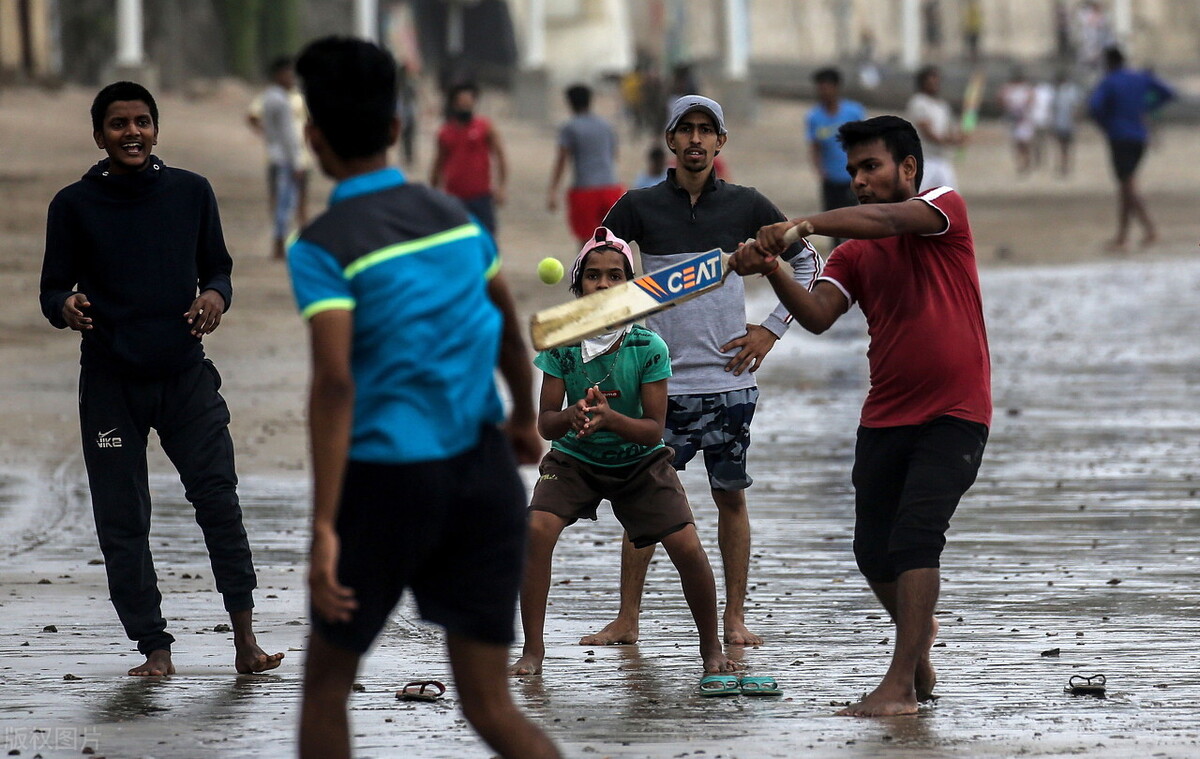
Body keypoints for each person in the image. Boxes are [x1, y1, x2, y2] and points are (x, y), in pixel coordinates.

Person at [287, 37, 559, 759]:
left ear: (313, 138)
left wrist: (323, 524)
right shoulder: (455, 217)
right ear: (397, 130)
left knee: (325, 689)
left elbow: (336, 379)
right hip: (481, 476)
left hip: (384, 484)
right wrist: (525, 421)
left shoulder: (321, 243)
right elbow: (506, 324)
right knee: (491, 704)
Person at [730, 115, 991, 717]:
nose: (860, 181)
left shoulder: (941, 209)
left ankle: (899, 684)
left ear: (909, 169)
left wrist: (800, 227)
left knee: (916, 538)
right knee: (873, 551)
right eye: (852, 172)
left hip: (956, 411)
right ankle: (916, 657)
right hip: (885, 416)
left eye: (871, 167)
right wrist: (773, 267)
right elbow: (819, 313)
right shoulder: (852, 254)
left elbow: (891, 219)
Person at [39, 81, 283, 677]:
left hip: (184, 378)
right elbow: (51, 288)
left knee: (219, 503)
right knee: (122, 518)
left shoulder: (191, 193)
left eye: (142, 121)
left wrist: (214, 297)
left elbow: (218, 267)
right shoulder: (72, 205)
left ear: (156, 129)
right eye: (118, 124)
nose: (132, 133)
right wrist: (65, 306)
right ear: (98, 135)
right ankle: (155, 649)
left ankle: (246, 640)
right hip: (109, 386)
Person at [588, 95, 822, 648]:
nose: (696, 140)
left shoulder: (747, 205)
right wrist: (620, 351)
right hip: (657, 390)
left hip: (729, 385)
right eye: (685, 130)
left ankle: (735, 619)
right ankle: (627, 618)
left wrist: (771, 330)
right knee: (643, 503)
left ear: (721, 142)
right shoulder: (637, 207)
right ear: (670, 141)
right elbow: (597, 278)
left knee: (730, 498)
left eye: (706, 130)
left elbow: (810, 262)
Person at [508, 228, 736, 680]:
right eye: (593, 276)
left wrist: (612, 420)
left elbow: (654, 430)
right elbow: (545, 423)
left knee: (686, 544)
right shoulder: (563, 344)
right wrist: (572, 415)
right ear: (578, 289)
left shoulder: (648, 347)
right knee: (536, 530)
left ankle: (711, 651)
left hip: (639, 461)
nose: (604, 284)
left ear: (632, 291)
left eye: (616, 276)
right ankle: (533, 651)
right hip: (574, 459)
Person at [1087, 46, 1176, 251]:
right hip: (1140, 136)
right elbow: (1168, 92)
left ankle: (1149, 229)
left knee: (1127, 185)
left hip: (1119, 136)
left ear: (1109, 63)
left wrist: (1106, 124)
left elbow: (1095, 106)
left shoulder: (1109, 81)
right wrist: (1146, 107)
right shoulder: (1140, 78)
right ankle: (1122, 236)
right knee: (1126, 184)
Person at [247, 56, 310, 259]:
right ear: (278, 74)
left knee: (283, 201)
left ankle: (281, 241)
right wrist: (297, 161)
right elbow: (288, 135)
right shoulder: (281, 100)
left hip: (275, 155)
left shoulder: (268, 97)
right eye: (289, 73)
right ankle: (280, 243)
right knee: (286, 202)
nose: (292, 78)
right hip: (286, 158)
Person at [547, 84, 624, 244]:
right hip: (610, 187)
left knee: (587, 242)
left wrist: (553, 190)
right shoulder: (606, 126)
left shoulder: (570, 127)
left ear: (570, 102)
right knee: (612, 241)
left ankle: (588, 269)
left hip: (585, 189)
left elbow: (562, 160)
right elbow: (614, 155)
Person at [430, 81, 507, 235]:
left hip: (481, 196)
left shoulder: (485, 127)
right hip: (454, 198)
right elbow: (438, 164)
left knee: (487, 238)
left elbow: (500, 157)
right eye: (461, 103)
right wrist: (433, 193)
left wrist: (502, 186)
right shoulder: (445, 132)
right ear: (453, 105)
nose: (465, 107)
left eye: (468, 102)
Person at [806, 67, 867, 247]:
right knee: (832, 221)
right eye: (820, 87)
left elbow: (864, 141)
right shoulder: (814, 117)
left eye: (827, 86)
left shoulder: (854, 112)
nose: (823, 91)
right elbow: (814, 146)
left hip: (852, 177)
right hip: (831, 179)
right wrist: (819, 170)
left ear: (836, 87)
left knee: (855, 220)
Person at [906, 65, 964, 192]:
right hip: (924, 160)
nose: (935, 83)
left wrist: (959, 137)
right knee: (918, 198)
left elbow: (949, 130)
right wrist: (951, 141)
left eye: (936, 80)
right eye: (931, 80)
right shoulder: (918, 102)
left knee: (951, 199)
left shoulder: (942, 106)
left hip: (943, 159)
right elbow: (928, 133)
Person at [998, 67, 1036, 175]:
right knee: (1017, 144)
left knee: (1025, 143)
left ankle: (1027, 162)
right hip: (1013, 121)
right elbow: (1001, 101)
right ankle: (1020, 163)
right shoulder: (1008, 89)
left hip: (1024, 120)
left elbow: (1031, 100)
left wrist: (1023, 108)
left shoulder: (1026, 88)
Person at [1050, 69, 1083, 176]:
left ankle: (1065, 166)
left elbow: (1076, 108)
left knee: (1065, 146)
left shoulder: (1070, 91)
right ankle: (1063, 165)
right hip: (1060, 123)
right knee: (1062, 146)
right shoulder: (1057, 92)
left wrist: (1076, 121)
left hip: (1067, 123)